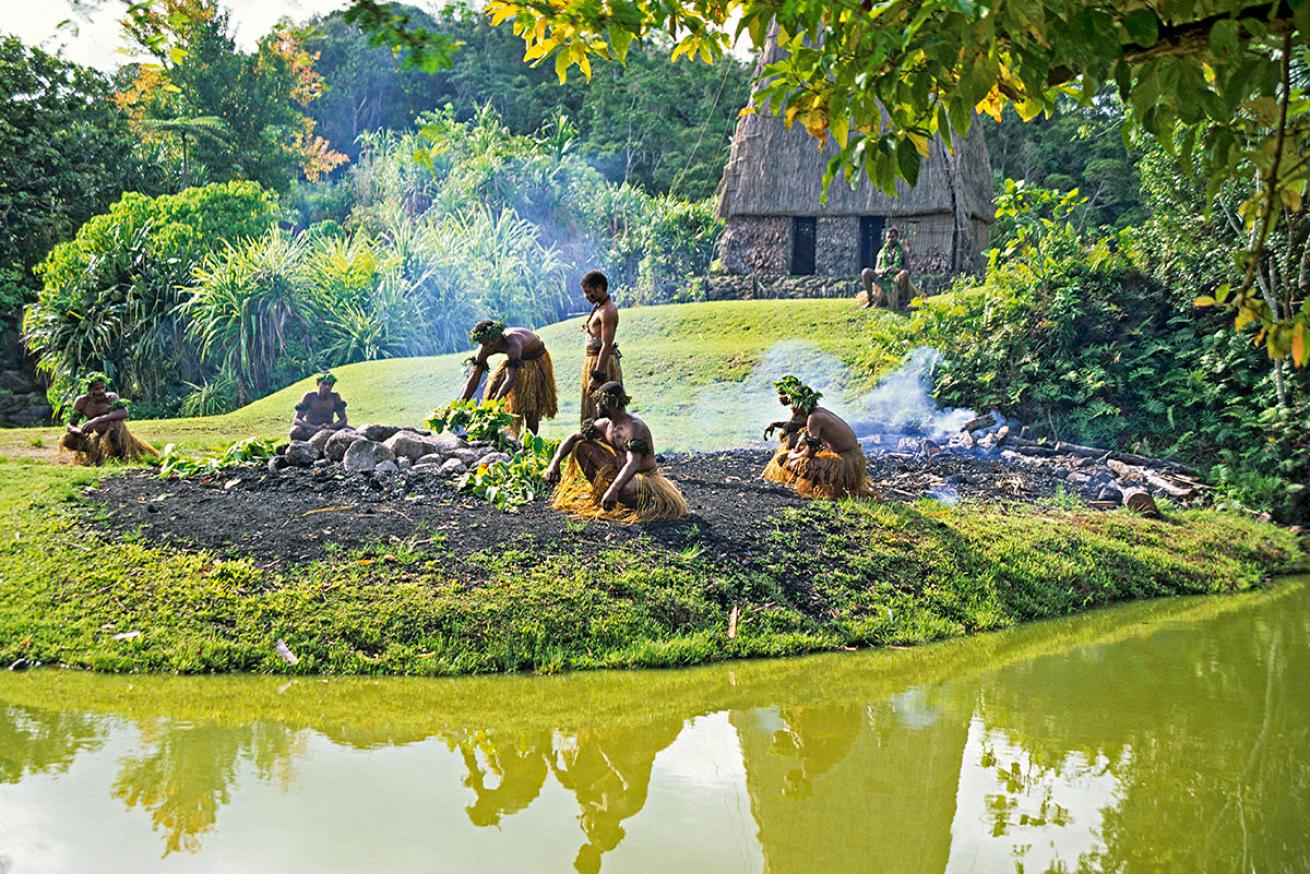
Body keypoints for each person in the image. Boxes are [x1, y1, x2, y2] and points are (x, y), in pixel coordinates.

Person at [545, 381, 687, 523]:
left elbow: (633, 463)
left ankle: (644, 499)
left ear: (607, 403)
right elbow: (574, 437)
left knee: (625, 492)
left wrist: (614, 488)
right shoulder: (605, 425)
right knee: (581, 447)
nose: (596, 406)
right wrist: (555, 462)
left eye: (598, 403)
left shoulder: (633, 427)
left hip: (642, 477)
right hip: (618, 472)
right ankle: (601, 495)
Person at [765, 376, 873, 499]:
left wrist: (794, 455)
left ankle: (826, 490)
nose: (791, 408)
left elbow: (810, 451)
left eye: (793, 405)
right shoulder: (819, 412)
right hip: (853, 459)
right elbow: (795, 425)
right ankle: (834, 490)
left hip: (845, 464)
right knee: (797, 450)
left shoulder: (814, 419)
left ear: (800, 405)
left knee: (788, 462)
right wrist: (775, 424)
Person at [458, 319, 558, 436]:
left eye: (487, 344)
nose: (485, 348)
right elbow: (473, 379)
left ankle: (529, 444)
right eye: (482, 344)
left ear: (496, 338)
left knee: (530, 407)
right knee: (492, 389)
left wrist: (495, 404)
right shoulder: (484, 348)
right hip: (512, 359)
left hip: (533, 360)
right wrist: (460, 404)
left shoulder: (513, 344)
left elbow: (509, 379)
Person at [59, 372, 158, 465]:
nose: (101, 391)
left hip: (118, 436)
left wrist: (96, 420)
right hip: (98, 437)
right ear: (89, 389)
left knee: (117, 424)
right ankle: (97, 455)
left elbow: (124, 412)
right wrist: (79, 431)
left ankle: (121, 454)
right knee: (68, 438)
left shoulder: (111, 398)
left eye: (103, 388)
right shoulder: (82, 402)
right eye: (97, 389)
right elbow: (70, 424)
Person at [580, 270, 622, 425]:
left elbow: (606, 345)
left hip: (602, 365)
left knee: (602, 411)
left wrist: (597, 376)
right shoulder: (599, 307)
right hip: (594, 361)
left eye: (589, 292)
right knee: (591, 411)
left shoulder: (608, 311)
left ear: (599, 288)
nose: (586, 296)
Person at [760, 375, 809, 484]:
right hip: (798, 446)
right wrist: (775, 424)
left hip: (806, 447)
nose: (780, 398)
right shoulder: (797, 406)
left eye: (782, 394)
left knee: (783, 459)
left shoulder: (802, 406)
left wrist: (783, 426)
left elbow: (800, 425)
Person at [860, 227, 910, 310]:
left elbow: (908, 269)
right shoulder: (882, 252)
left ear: (897, 238)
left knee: (904, 273)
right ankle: (870, 300)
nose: (890, 239)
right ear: (886, 239)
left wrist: (896, 270)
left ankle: (902, 303)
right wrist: (882, 271)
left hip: (896, 278)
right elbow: (876, 269)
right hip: (882, 278)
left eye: (892, 237)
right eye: (888, 237)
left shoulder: (903, 251)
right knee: (865, 272)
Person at [290, 372, 349, 441]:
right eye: (324, 384)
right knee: (294, 431)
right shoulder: (309, 397)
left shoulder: (335, 397)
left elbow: (343, 419)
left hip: (330, 430)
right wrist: (315, 428)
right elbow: (297, 420)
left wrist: (330, 427)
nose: (327, 387)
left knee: (353, 431)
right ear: (318, 384)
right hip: (311, 430)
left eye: (330, 384)